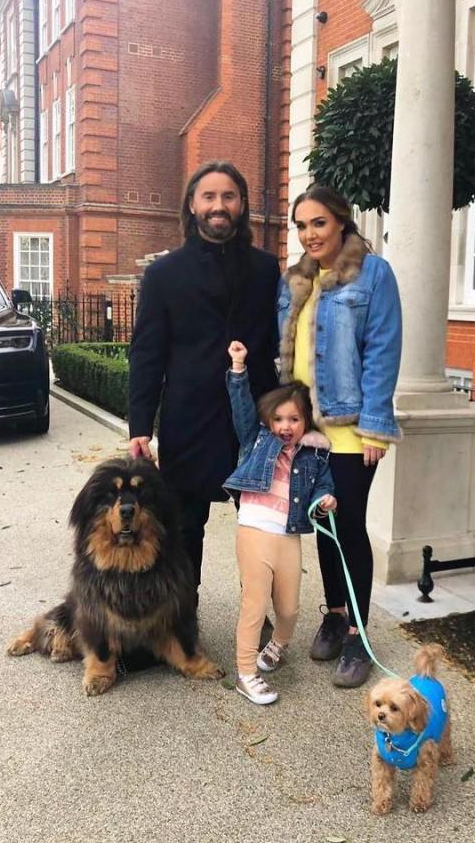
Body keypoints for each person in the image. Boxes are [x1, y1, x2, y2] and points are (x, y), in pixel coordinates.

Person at [128, 161, 280, 588]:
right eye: (209, 196)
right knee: (184, 526)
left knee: (260, 524)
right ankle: (182, 617)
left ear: (242, 205)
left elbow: (275, 344)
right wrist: (140, 425)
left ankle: (259, 612)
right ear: (192, 205)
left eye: (228, 196)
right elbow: (146, 354)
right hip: (188, 419)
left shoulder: (266, 270)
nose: (219, 205)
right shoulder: (163, 275)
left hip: (254, 420)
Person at [278, 184, 402, 689]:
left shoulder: (374, 274)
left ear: (342, 223)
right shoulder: (296, 280)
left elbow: (383, 349)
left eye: (318, 223)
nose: (309, 234)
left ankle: (357, 635)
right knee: (323, 526)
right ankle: (331, 614)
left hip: (352, 427)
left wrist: (375, 422)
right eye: (301, 226)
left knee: (349, 526)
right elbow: (287, 349)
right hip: (309, 429)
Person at [223, 340, 336, 705]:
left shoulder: (316, 455)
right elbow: (241, 410)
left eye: (294, 419)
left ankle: (279, 644)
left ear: (305, 422)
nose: (286, 426)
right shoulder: (258, 439)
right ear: (269, 421)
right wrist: (238, 369)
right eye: (279, 419)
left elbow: (323, 488)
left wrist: (324, 501)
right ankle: (245, 672)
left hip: (289, 535)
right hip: (254, 529)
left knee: (289, 608)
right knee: (255, 603)